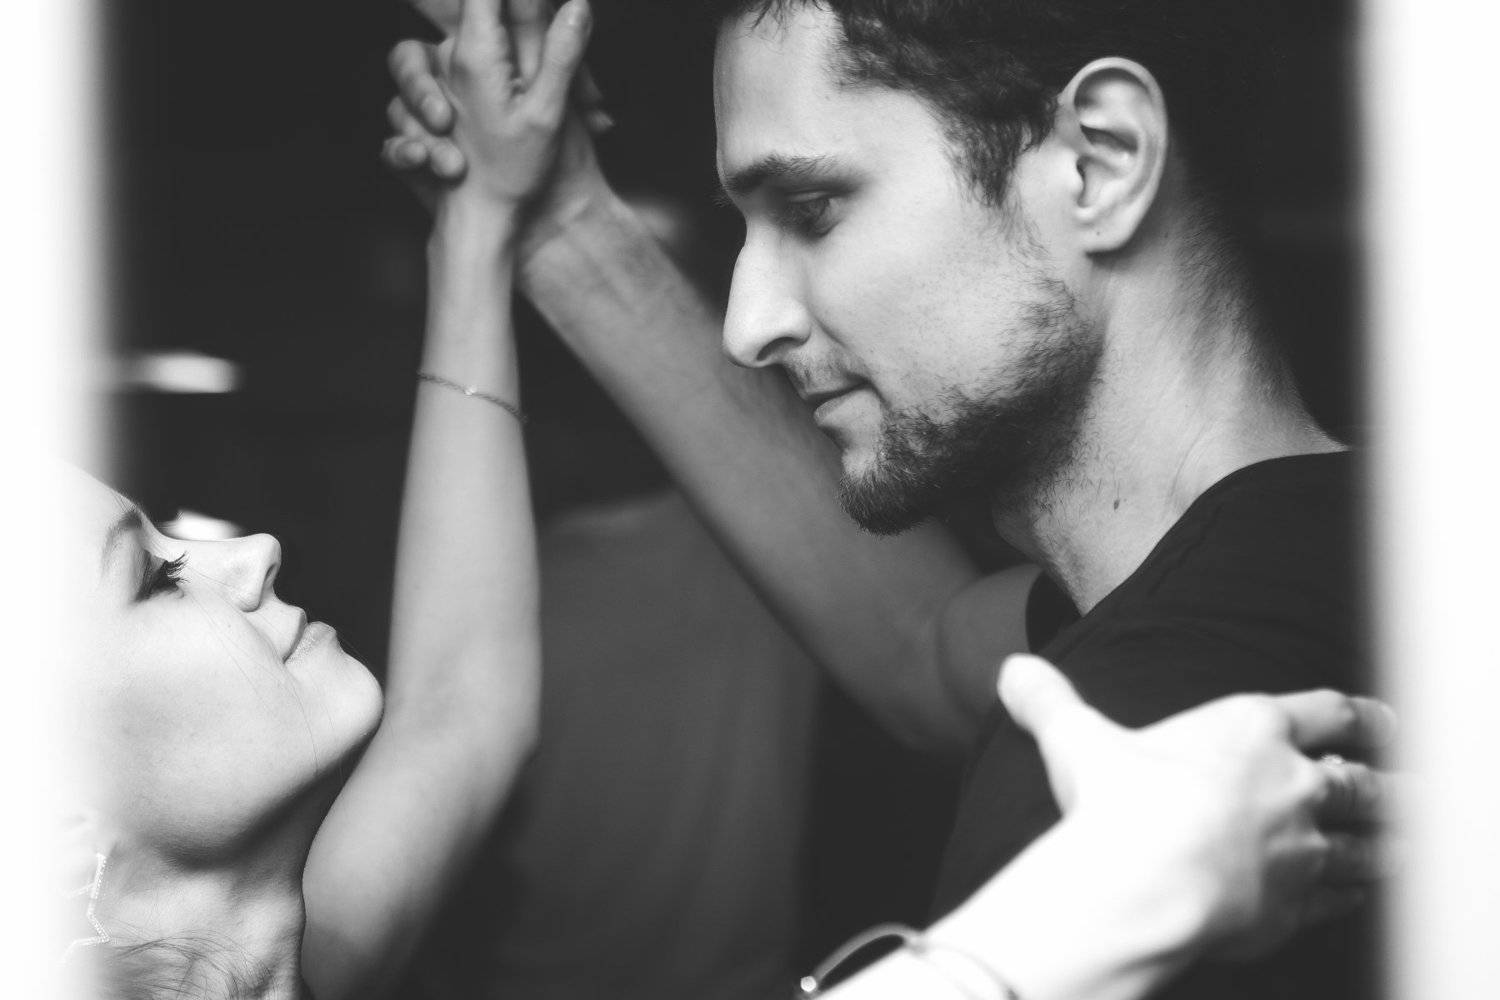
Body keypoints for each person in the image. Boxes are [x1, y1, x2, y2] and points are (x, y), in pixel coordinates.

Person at [384, 0, 1378, 995]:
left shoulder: (1133, 781)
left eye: (812, 209)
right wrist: (561, 219)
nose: (748, 325)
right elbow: (919, 642)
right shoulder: (1342, 551)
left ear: (1100, 164)